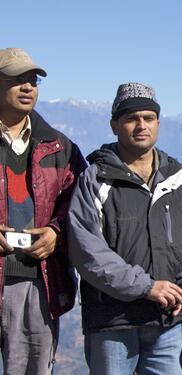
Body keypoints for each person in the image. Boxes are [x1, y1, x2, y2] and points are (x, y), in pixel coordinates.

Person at [67, 82, 182, 375]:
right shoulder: (96, 179)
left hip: (167, 321)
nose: (140, 125)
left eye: (148, 117)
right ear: (115, 125)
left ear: (158, 123)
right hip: (112, 321)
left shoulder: (178, 179)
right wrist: (146, 287)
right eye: (131, 118)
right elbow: (87, 251)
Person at [0, 47, 86, 374]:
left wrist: (57, 231)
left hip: (39, 282)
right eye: (17, 80)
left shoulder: (60, 147)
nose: (27, 87)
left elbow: (79, 203)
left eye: (33, 81)